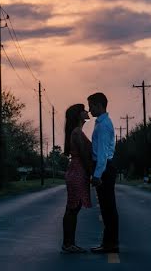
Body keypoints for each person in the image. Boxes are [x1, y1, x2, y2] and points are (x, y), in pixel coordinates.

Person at [88, 92, 118, 254]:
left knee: (108, 208)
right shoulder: (101, 123)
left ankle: (111, 244)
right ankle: (109, 243)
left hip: (104, 169)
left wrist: (97, 175)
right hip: (104, 167)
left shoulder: (104, 125)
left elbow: (102, 153)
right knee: (107, 208)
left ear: (99, 105)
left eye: (91, 105)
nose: (89, 109)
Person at [61, 103, 92, 253]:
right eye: (84, 110)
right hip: (78, 171)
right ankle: (68, 244)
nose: (87, 112)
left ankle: (69, 243)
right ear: (78, 115)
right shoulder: (77, 132)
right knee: (73, 208)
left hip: (75, 170)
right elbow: (85, 155)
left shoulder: (76, 132)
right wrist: (92, 172)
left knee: (73, 208)